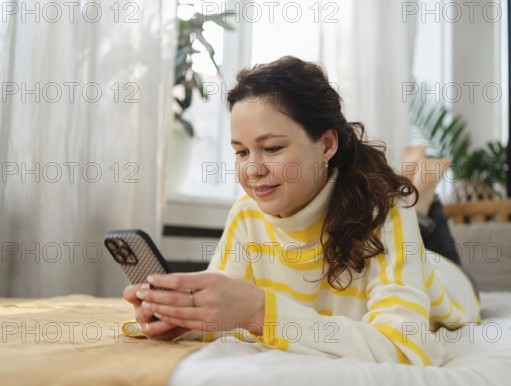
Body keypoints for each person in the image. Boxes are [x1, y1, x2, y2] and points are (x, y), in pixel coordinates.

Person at [124, 56, 480, 365]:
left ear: (325, 144)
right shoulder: (247, 213)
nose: (252, 170)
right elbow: (228, 318)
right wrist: (185, 318)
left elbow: (408, 349)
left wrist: (261, 310)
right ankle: (419, 191)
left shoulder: (383, 212)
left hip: (444, 281)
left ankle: (423, 196)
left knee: (412, 213)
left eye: (273, 148)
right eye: (241, 152)